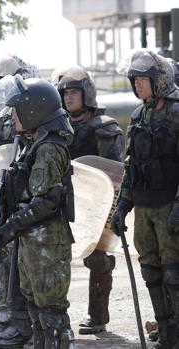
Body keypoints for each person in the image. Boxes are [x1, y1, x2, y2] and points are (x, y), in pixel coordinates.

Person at [0, 75, 76, 349]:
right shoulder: (33, 144)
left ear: (34, 111)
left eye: (17, 110)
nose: (13, 116)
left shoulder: (49, 148)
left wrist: (10, 227)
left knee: (50, 313)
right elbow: (29, 194)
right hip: (34, 241)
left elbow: (46, 202)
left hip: (47, 242)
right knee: (36, 309)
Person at [111, 49, 179, 349]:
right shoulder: (139, 115)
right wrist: (122, 206)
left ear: (159, 80)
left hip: (169, 205)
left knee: (174, 272)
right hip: (144, 206)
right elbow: (131, 165)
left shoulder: (177, 113)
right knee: (151, 271)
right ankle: (165, 328)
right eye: (134, 79)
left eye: (143, 79)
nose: (137, 84)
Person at [56, 66, 124, 335]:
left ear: (87, 94)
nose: (69, 98)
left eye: (74, 92)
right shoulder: (56, 126)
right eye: (65, 93)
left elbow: (114, 174)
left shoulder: (104, 128)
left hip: (95, 206)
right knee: (53, 258)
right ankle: (55, 317)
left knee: (96, 260)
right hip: (61, 202)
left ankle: (98, 316)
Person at [0, 53, 39, 348]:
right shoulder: (3, 114)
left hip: (31, 200)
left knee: (32, 267)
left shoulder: (37, 109)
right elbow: (0, 157)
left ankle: (37, 327)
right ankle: (13, 322)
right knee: (7, 263)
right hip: (9, 196)